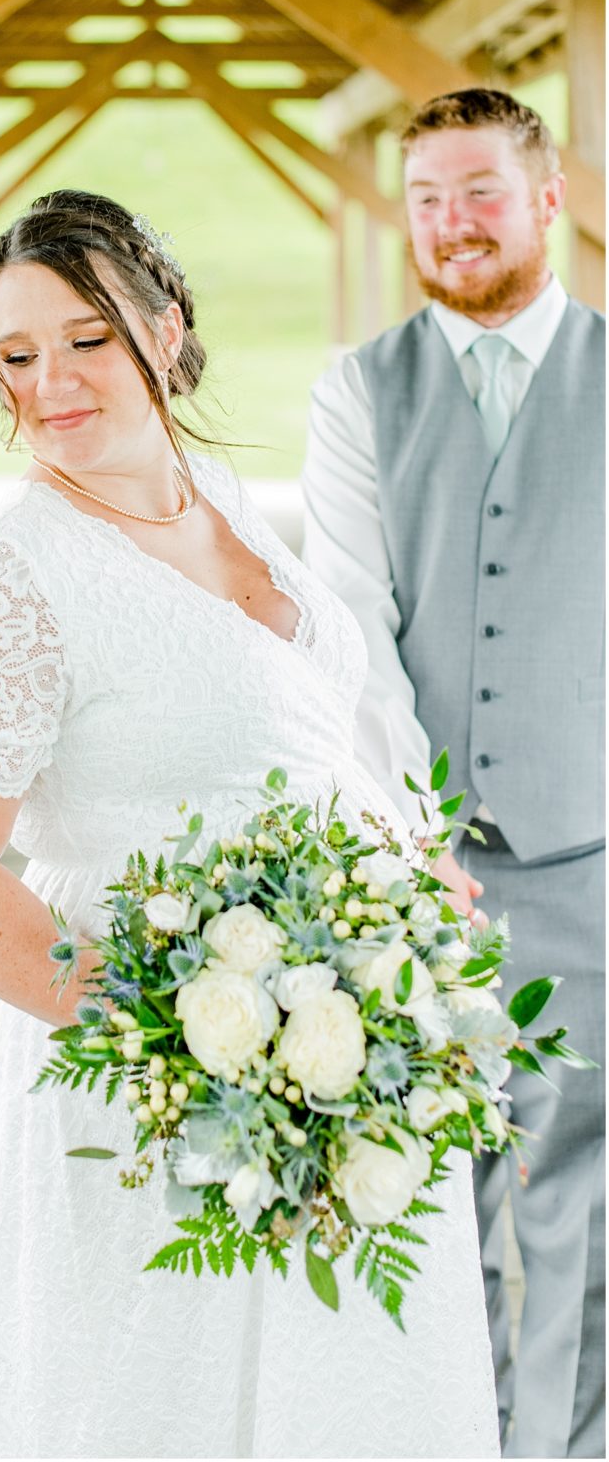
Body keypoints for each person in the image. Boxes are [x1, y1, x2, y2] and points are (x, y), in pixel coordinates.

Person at [0, 189, 499, 1459]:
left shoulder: (213, 496)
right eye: (17, 353)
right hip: (159, 1100)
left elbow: (303, 729)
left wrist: (407, 887)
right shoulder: (7, 579)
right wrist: (184, 1042)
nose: (50, 379)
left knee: (351, 1400)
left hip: (337, 1064)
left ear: (167, 329)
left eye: (87, 336)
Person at [302, 89, 605, 1459]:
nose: (449, 222)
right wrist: (415, 832)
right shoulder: (356, 391)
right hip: (413, 886)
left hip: (591, 862)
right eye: (425, 198)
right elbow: (349, 620)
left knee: (582, 1220)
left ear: (546, 201)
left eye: (478, 190)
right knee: (422, 1210)